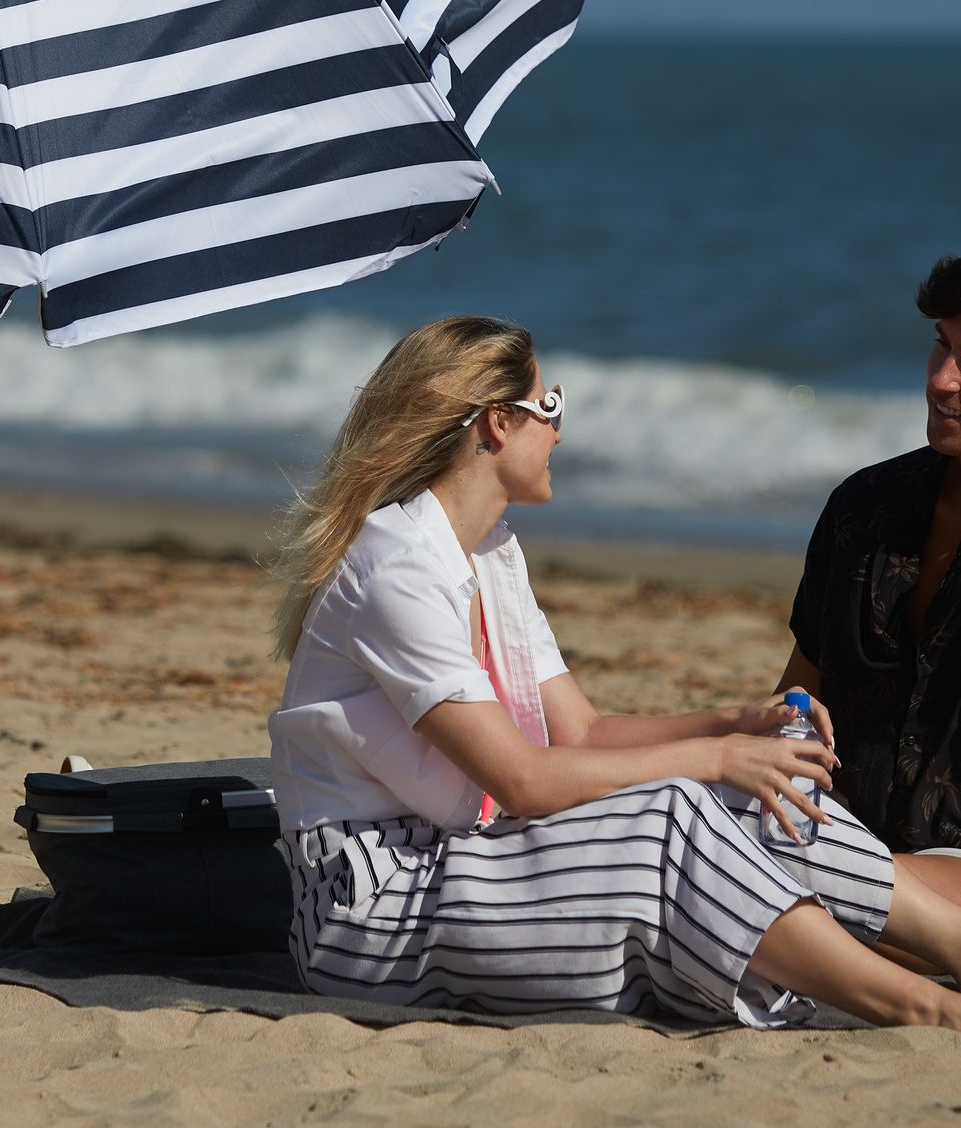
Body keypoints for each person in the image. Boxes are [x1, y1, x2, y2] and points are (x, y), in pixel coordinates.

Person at [266, 314, 961, 1028]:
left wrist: (738, 725)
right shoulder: (397, 568)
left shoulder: (490, 553)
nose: (560, 430)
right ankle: (925, 1006)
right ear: (498, 424)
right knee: (673, 814)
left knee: (762, 790)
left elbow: (585, 732)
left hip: (465, 855)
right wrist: (715, 757)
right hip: (373, 905)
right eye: (550, 406)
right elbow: (525, 780)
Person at [776, 256, 961, 886]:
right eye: (941, 346)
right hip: (833, 841)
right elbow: (796, 702)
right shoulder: (865, 506)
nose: (943, 380)